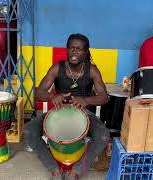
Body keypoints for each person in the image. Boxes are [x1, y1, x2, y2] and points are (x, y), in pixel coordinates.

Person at [25, 33, 110, 180]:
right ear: (67, 49)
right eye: (71, 47)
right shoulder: (57, 68)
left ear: (86, 52)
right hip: (59, 111)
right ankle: (54, 169)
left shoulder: (92, 70)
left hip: (83, 114)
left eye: (79, 49)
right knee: (29, 131)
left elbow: (104, 97)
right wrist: (52, 96)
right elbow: (38, 93)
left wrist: (86, 100)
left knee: (103, 137)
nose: (74, 51)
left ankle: (76, 172)